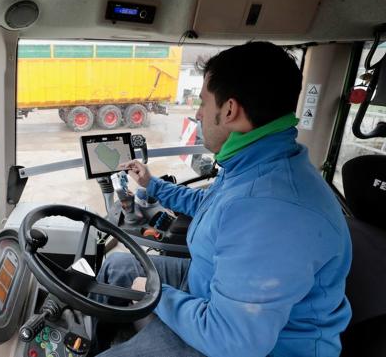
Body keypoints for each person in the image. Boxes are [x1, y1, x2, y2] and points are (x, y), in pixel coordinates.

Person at [93, 42, 352, 357]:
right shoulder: (256, 166)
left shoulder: (273, 211)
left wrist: (156, 294)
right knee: (118, 267)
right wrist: (152, 185)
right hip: (213, 287)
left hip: (249, 343)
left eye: (203, 102)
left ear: (229, 110)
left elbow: (231, 341)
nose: (199, 113)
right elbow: (209, 207)